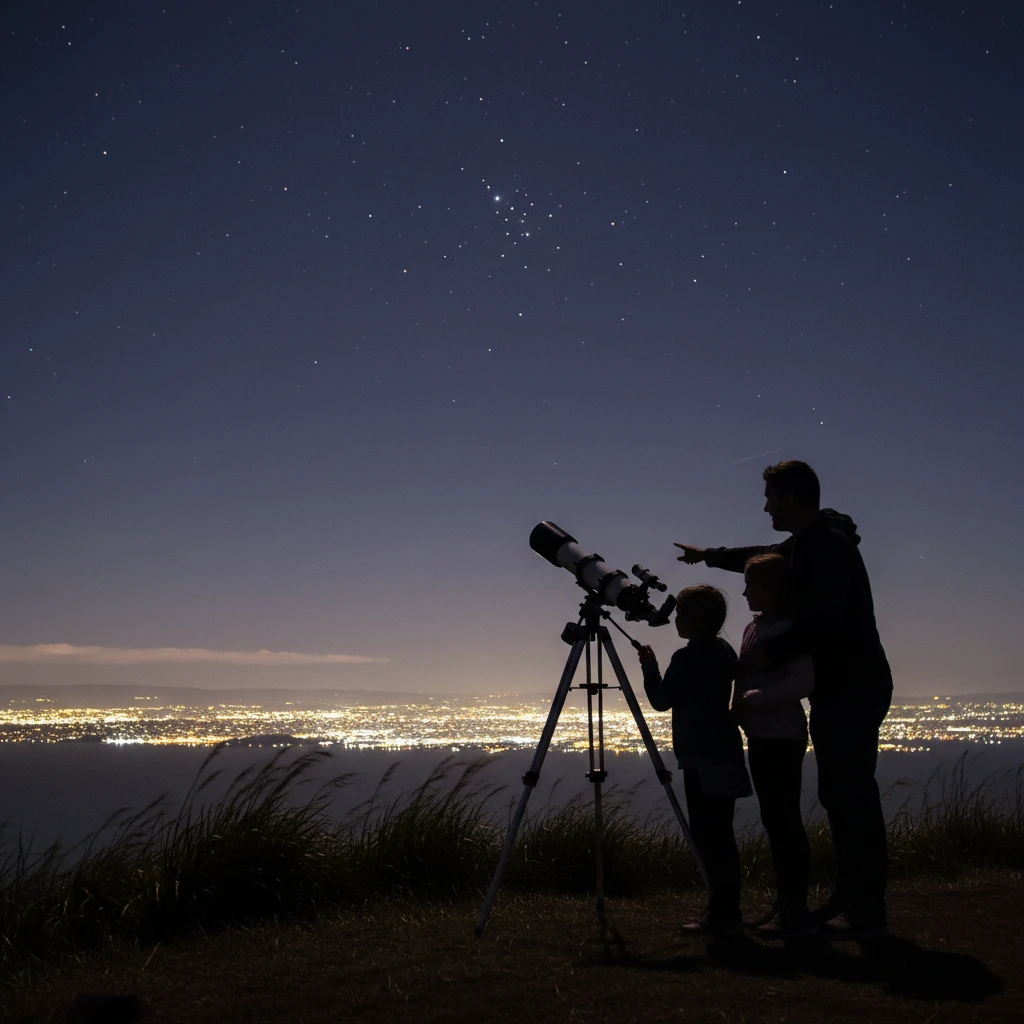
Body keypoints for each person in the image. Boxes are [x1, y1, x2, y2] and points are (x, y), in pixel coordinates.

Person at [675, 460, 892, 938]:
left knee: (850, 796)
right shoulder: (812, 543)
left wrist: (766, 655)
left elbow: (829, 624)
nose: (766, 506)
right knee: (841, 795)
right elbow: (765, 556)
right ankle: (853, 902)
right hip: (847, 686)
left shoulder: (826, 548)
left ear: (791, 497)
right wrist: (710, 556)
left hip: (852, 687)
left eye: (771, 497)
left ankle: (863, 909)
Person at [636, 584, 751, 937]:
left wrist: (650, 667)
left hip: (700, 757)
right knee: (722, 834)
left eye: (680, 613)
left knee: (707, 834)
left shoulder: (685, 659)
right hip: (726, 749)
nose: (674, 620)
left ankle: (721, 913)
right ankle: (727, 908)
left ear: (694, 619)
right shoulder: (723, 650)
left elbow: (660, 699)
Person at [734, 552, 815, 937]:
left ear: (772, 589)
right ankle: (787, 903)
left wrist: (752, 700)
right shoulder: (757, 627)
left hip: (781, 735)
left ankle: (793, 906)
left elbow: (803, 681)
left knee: (783, 821)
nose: (745, 591)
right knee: (776, 819)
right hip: (764, 735)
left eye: (752, 585)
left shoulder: (786, 630)